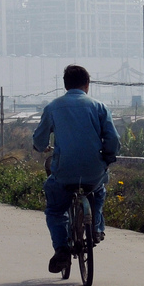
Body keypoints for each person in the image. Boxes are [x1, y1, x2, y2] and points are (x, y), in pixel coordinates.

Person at [32, 64, 120, 274]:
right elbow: (113, 139)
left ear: (65, 86)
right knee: (98, 191)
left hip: (64, 171)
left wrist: (41, 147)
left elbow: (39, 139)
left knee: (55, 210)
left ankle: (61, 248)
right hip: (93, 171)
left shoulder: (53, 107)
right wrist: (107, 158)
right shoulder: (99, 107)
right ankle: (96, 228)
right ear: (87, 85)